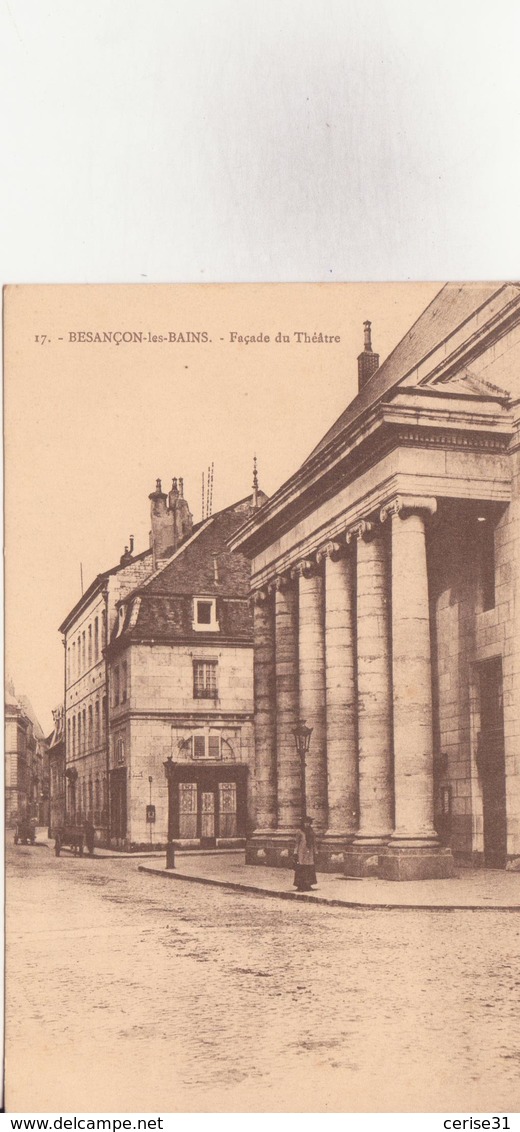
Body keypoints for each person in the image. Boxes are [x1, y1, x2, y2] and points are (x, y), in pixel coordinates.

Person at [293, 816, 317, 892]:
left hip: (309, 853)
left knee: (309, 868)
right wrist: (295, 852)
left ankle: (308, 885)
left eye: (308, 822)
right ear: (302, 823)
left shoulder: (312, 832)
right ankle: (300, 886)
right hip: (301, 853)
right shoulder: (299, 832)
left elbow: (314, 843)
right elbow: (297, 843)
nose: (307, 824)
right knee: (301, 868)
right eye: (305, 822)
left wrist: (316, 851)